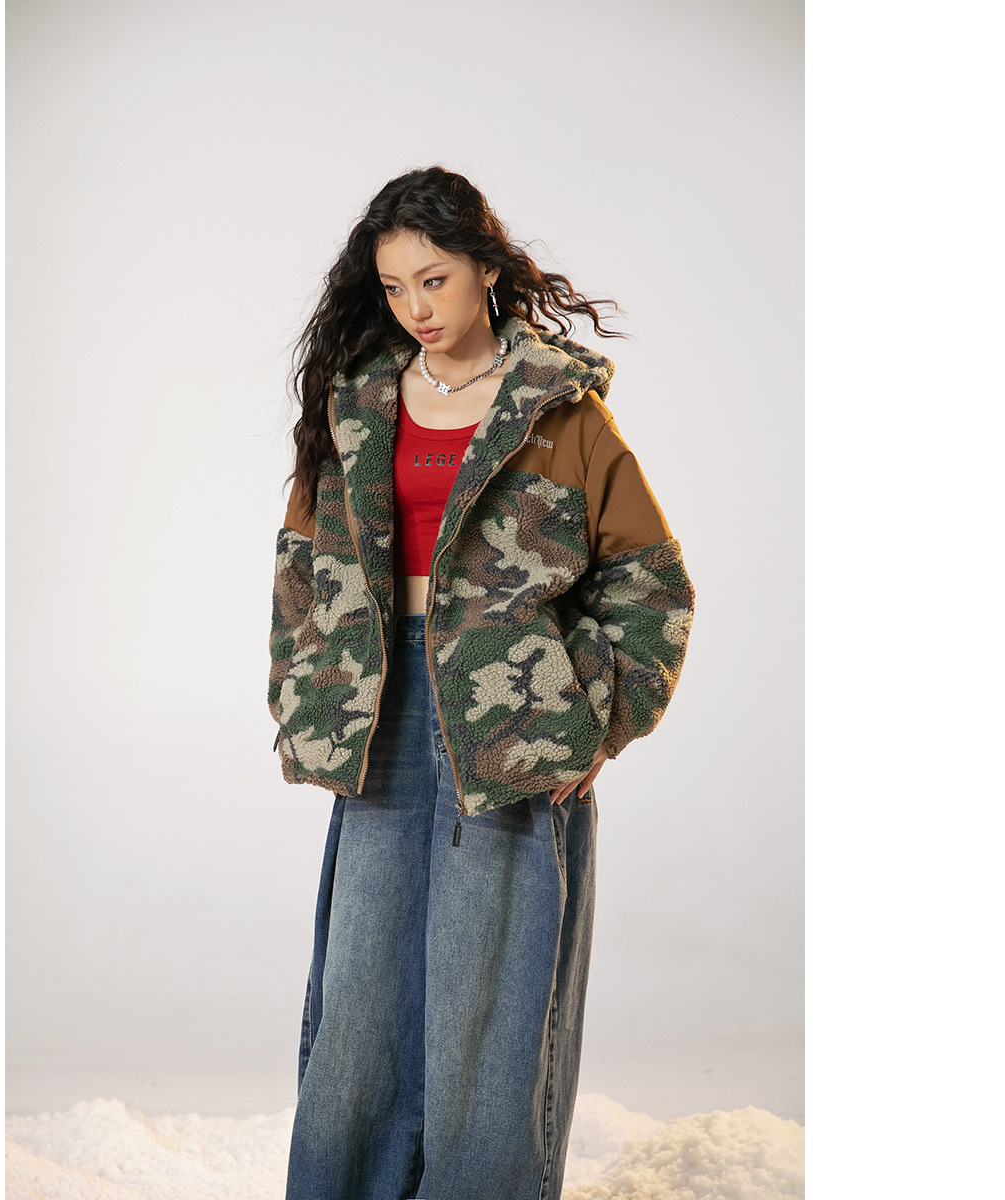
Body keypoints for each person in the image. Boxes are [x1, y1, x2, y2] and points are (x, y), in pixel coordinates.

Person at [267, 166, 695, 1199]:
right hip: (379, 715)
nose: (416, 308)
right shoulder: (358, 406)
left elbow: (652, 582)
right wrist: (305, 696)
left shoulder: (560, 414)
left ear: (487, 270)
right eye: (394, 287)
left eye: (435, 280)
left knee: (490, 1004)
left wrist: (593, 721)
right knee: (361, 1000)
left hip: (512, 724)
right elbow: (300, 567)